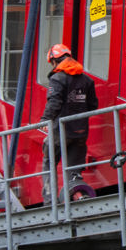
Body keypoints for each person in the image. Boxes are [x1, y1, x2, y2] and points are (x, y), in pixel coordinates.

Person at [40, 44, 99, 203]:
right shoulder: (86, 79)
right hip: (80, 131)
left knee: (49, 163)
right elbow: (93, 105)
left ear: (54, 60)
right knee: (73, 169)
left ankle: (49, 202)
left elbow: (54, 102)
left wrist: (45, 119)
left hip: (61, 132)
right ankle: (76, 197)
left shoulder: (57, 77)